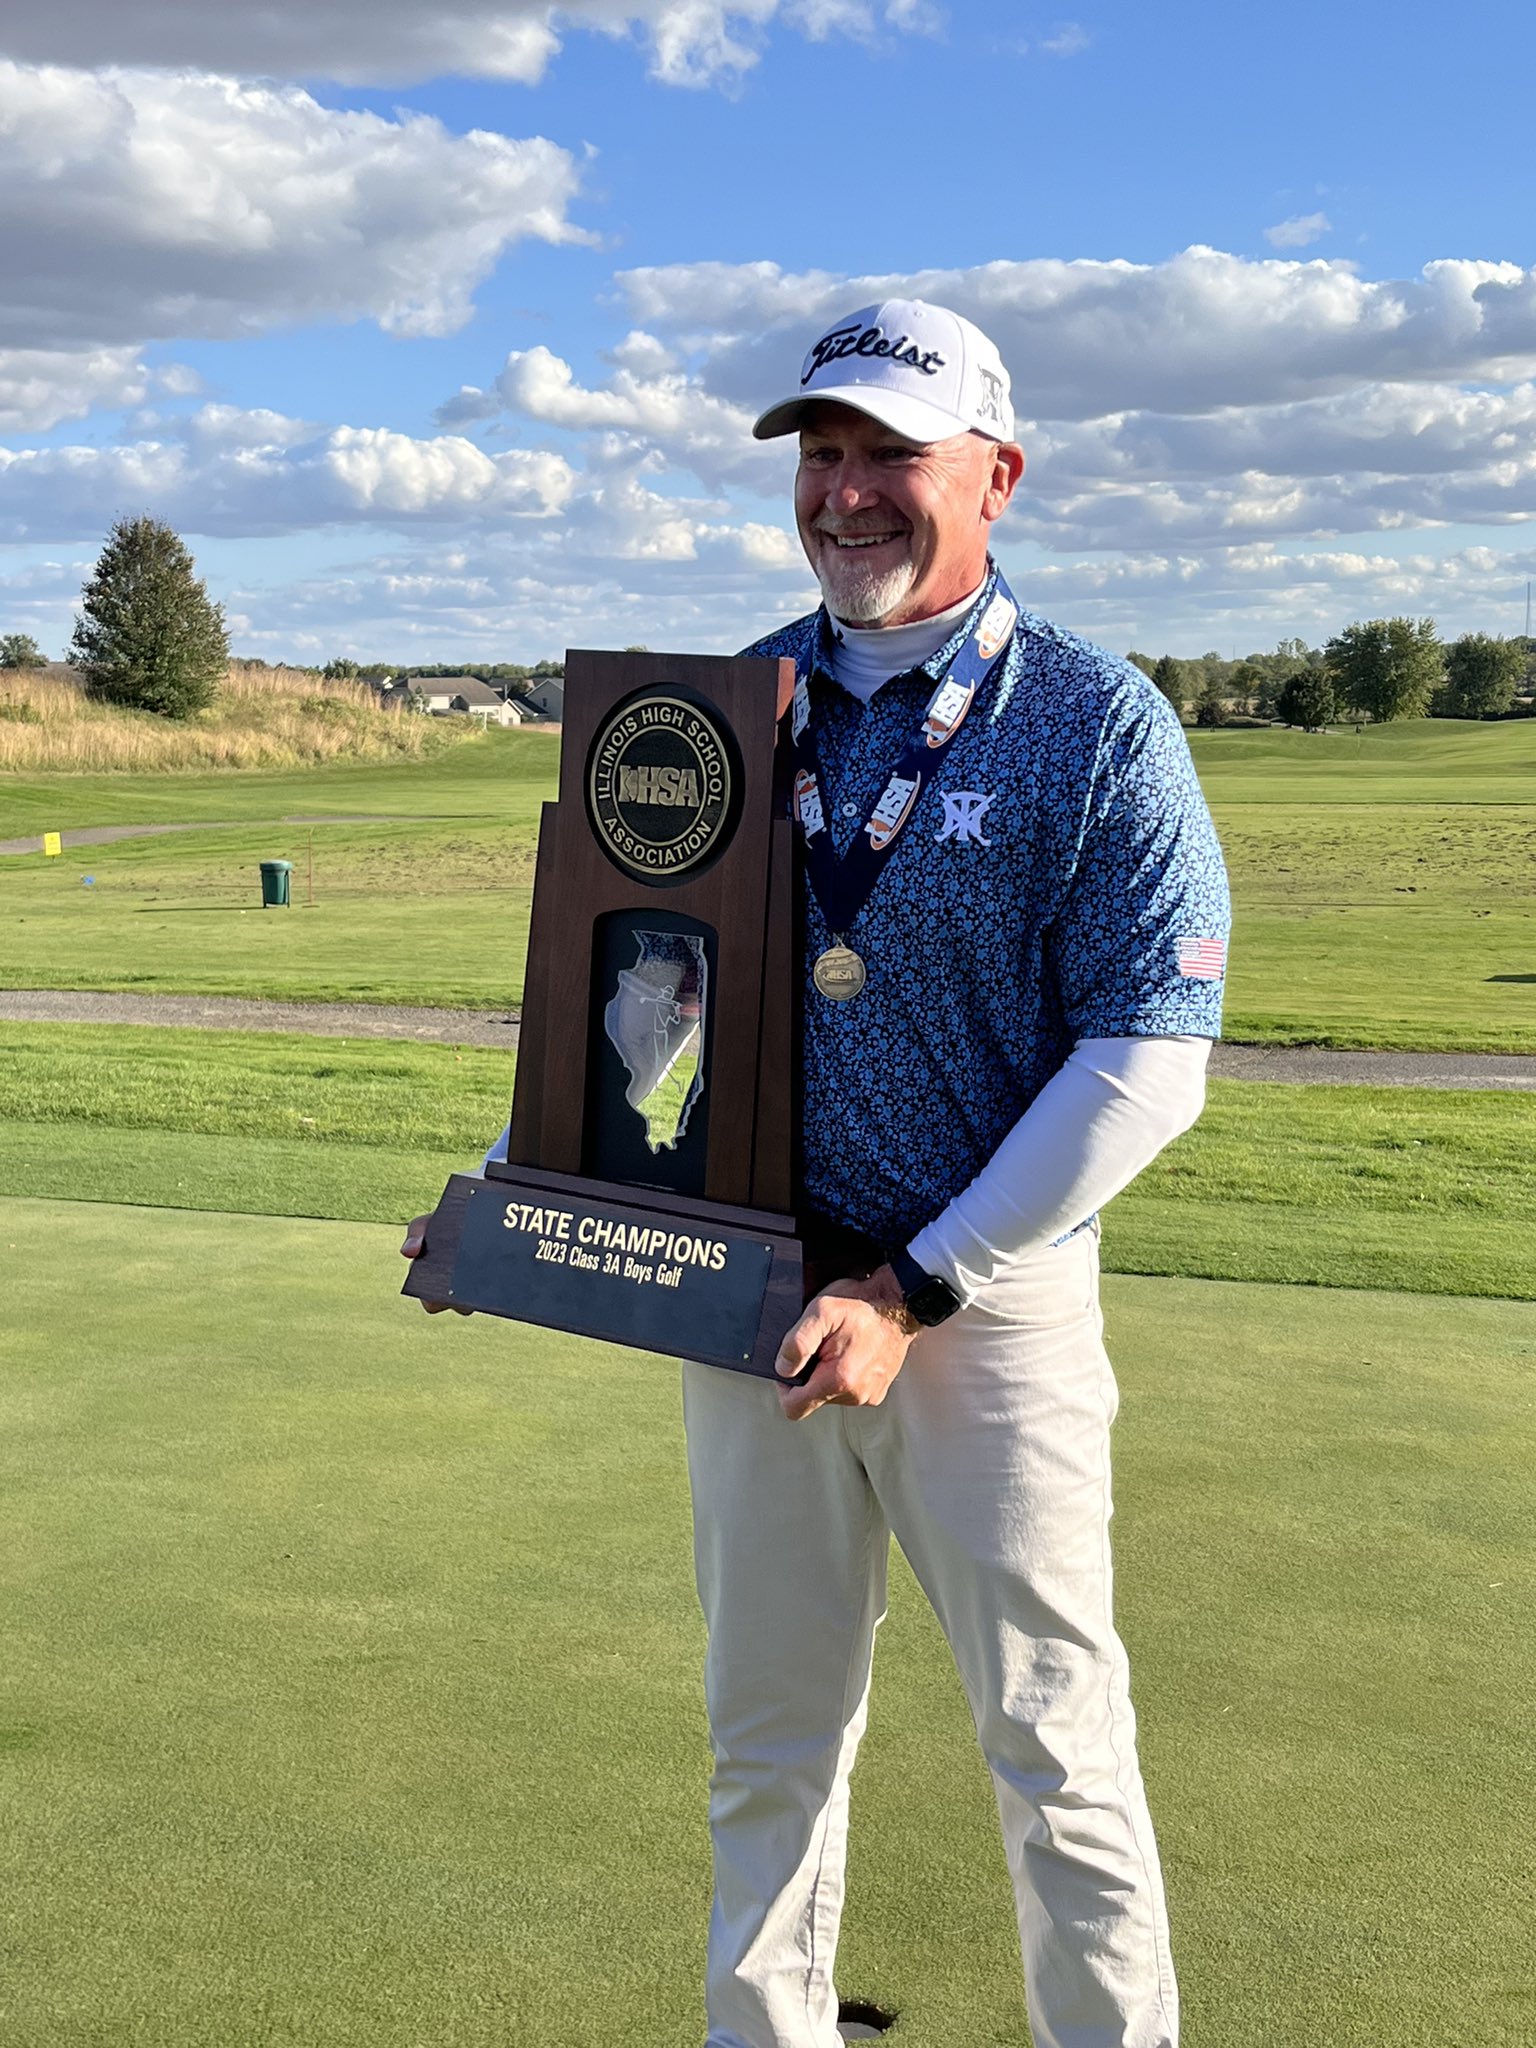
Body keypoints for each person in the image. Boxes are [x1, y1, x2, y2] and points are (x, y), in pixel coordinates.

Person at [404, 298, 1230, 2048]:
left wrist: (915, 1285)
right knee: (766, 1743)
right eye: (823, 454)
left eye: (892, 457)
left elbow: (1148, 1063)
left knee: (1056, 1752)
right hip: (754, 1296)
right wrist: (502, 1188)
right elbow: (634, 976)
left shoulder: (1096, 721)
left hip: (983, 1314)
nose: (847, 494)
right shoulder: (724, 706)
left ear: (996, 476)